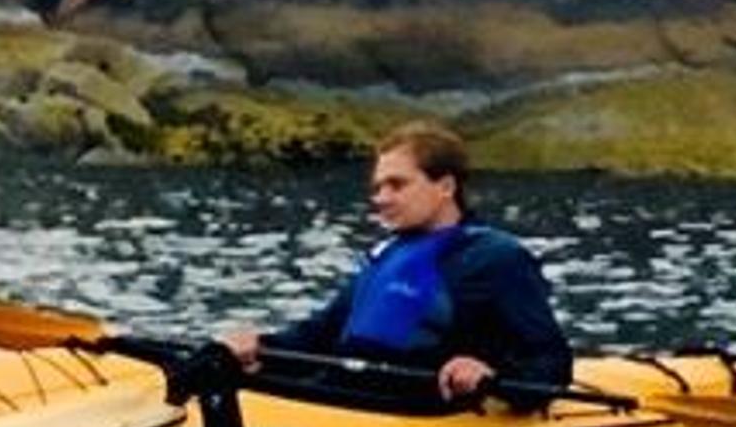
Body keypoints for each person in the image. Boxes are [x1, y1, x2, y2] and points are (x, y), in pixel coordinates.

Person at [222, 122, 570, 407]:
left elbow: (550, 365)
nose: (381, 199)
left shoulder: (496, 257)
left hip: (416, 406)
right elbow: (320, 336)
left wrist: (489, 375)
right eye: (377, 187)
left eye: (397, 185)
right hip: (344, 391)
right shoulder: (388, 253)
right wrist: (260, 347)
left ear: (445, 186)